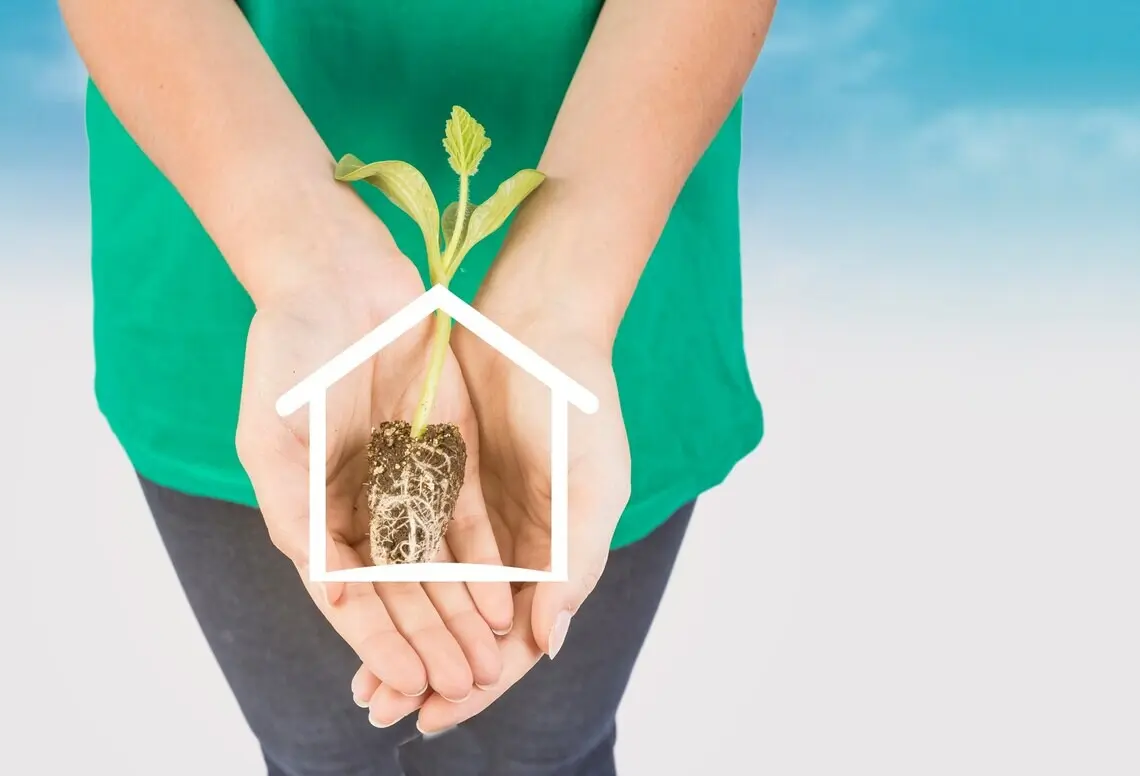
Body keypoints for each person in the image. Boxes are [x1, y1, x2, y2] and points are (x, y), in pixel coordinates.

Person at [60, 0, 774, 773]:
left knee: (552, 748)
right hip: (228, 266)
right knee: (319, 749)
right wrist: (301, 261)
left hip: (613, 277)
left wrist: (568, 287)